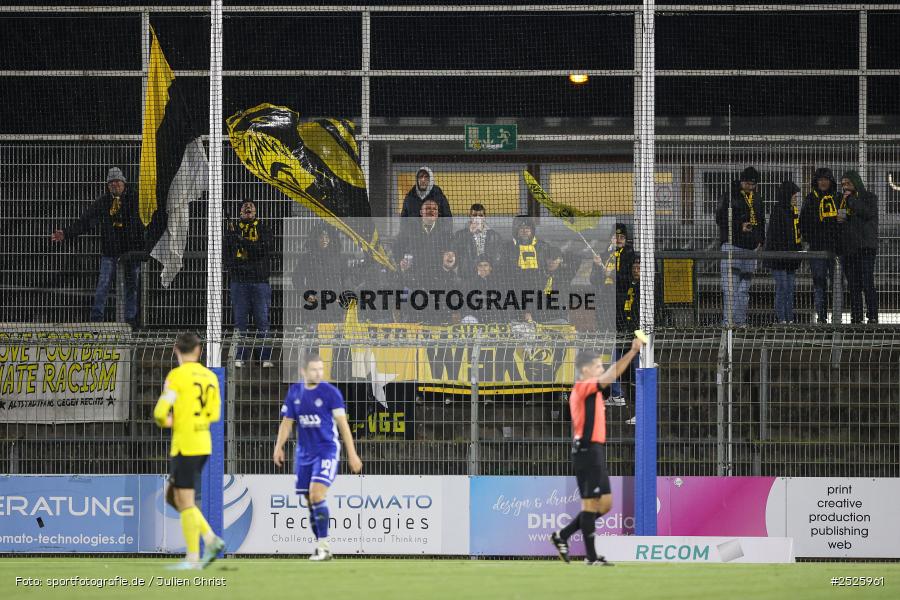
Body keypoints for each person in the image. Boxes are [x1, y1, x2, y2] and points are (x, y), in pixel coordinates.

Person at [550, 337, 644, 565]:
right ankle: (592, 558)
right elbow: (611, 376)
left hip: (596, 450)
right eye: (597, 367)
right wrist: (632, 352)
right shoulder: (583, 387)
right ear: (585, 370)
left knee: (605, 505)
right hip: (586, 450)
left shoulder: (592, 391)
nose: (601, 370)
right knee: (591, 504)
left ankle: (562, 536)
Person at [273, 353, 363, 561]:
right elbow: (287, 423)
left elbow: (343, 425)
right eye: (314, 369)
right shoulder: (295, 392)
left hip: (326, 450)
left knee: (316, 495)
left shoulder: (331, 393)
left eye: (321, 369)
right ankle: (320, 544)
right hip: (304, 453)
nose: (319, 373)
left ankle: (324, 546)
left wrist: (352, 454)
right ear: (304, 371)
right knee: (309, 499)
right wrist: (278, 447)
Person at [153, 332, 225, 570]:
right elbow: (214, 414)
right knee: (177, 498)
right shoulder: (210, 377)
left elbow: (160, 413)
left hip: (185, 444)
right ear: (199, 351)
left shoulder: (176, 376)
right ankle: (209, 541)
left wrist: (170, 421)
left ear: (176, 350)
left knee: (183, 500)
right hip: (204, 443)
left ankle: (195, 555)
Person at [50, 167, 145, 326]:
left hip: (131, 251)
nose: (114, 185)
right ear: (108, 186)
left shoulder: (136, 200)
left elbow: (144, 221)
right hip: (110, 252)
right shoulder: (103, 203)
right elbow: (85, 222)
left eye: (117, 181)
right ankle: (97, 321)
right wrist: (66, 233)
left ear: (124, 183)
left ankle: (131, 322)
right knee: (103, 285)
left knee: (132, 286)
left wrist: (141, 246)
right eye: (111, 182)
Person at [590, 223, 636, 405]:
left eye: (621, 237)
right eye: (615, 236)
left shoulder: (630, 256)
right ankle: (613, 392)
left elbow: (630, 278)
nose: (618, 239)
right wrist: (596, 267)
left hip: (622, 309)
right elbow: (593, 281)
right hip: (605, 307)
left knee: (618, 348)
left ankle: (618, 393)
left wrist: (613, 273)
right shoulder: (604, 255)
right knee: (607, 348)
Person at [225, 199, 273, 368]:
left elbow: (262, 250)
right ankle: (240, 357)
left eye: (251, 207)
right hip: (239, 281)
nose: (248, 208)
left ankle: (264, 358)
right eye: (244, 207)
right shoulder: (233, 230)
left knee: (262, 321)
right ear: (240, 212)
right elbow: (227, 254)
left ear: (255, 212)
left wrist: (241, 241)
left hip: (260, 281)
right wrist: (232, 238)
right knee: (240, 322)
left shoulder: (263, 229)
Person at [716, 167, 766, 327]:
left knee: (744, 290)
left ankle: (740, 322)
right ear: (741, 181)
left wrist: (760, 240)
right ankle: (728, 323)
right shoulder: (730, 196)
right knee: (730, 289)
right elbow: (719, 218)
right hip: (732, 246)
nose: (750, 187)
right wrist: (739, 226)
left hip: (750, 249)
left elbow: (761, 221)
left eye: (753, 184)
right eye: (747, 183)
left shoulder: (757, 198)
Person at [799, 168, 843, 324]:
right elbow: (802, 223)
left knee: (837, 284)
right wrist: (812, 237)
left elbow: (844, 221)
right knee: (819, 284)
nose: (823, 182)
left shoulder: (838, 198)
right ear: (816, 182)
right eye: (820, 179)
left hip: (835, 250)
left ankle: (837, 320)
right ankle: (822, 319)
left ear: (831, 181)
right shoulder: (810, 199)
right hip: (817, 249)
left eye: (826, 179)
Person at [839, 170, 878, 324]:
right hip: (849, 249)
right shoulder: (844, 200)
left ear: (856, 182)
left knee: (867, 282)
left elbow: (867, 213)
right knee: (853, 285)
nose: (845, 187)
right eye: (843, 184)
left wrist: (851, 201)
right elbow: (849, 220)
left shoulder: (869, 197)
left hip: (866, 248)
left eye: (848, 183)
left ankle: (873, 316)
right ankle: (856, 317)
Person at [764, 181, 802, 324]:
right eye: (793, 195)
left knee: (790, 290)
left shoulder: (793, 211)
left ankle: (789, 319)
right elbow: (777, 236)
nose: (795, 198)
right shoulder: (779, 210)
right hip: (779, 259)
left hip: (791, 259)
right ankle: (782, 320)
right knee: (783, 288)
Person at [293, 226, 347, 325]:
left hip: (334, 302)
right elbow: (297, 278)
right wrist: (306, 294)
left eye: (327, 237)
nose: (324, 240)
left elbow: (346, 278)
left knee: (334, 335)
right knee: (314, 334)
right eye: (321, 237)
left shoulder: (339, 257)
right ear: (316, 239)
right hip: (315, 302)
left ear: (332, 239)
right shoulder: (307, 257)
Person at [392, 198, 452, 283]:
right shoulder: (409, 230)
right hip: (412, 278)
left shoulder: (445, 232)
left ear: (438, 214)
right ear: (421, 213)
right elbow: (396, 247)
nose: (431, 211)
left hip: (438, 279)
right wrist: (400, 261)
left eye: (434, 209)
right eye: (427, 208)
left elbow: (452, 253)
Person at [453, 203, 503, 276]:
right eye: (474, 215)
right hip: (467, 274)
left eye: (480, 215)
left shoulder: (495, 236)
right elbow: (456, 252)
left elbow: (498, 256)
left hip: (489, 274)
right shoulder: (460, 235)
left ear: (484, 217)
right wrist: (469, 234)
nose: (477, 218)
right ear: (470, 217)